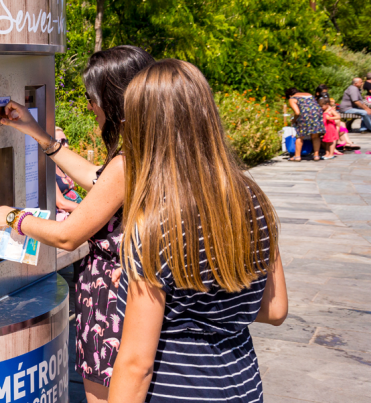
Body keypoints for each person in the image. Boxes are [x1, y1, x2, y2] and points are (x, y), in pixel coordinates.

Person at [0, 45, 155, 403]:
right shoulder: (150, 152)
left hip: (112, 312)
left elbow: (68, 236)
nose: (89, 107)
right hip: (126, 305)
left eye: (92, 97)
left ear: (114, 99)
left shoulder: (128, 162)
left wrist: (9, 217)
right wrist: (40, 135)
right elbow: (95, 178)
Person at [107, 59, 288, 403]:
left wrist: (174, 303)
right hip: (242, 386)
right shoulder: (254, 201)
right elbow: (275, 309)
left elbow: (136, 365)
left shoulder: (153, 226)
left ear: (145, 129)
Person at [286, 87, 325, 161]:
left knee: (300, 136)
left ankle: (297, 156)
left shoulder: (292, 98)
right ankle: (316, 155)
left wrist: (294, 120)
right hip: (317, 113)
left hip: (305, 115)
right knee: (315, 135)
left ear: (289, 95)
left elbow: (297, 112)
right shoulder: (309, 94)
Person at [54, 126, 83, 222]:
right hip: (67, 219)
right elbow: (61, 204)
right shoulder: (48, 170)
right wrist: (87, 210)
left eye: (66, 141)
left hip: (76, 213)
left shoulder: (60, 165)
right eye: (61, 141)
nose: (66, 145)